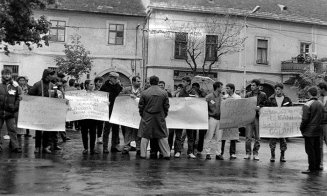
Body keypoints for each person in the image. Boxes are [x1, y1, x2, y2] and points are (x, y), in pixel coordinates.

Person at [138, 75, 170, 159]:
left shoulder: (144, 92)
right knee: (162, 135)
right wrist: (164, 115)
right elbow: (166, 106)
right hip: (159, 116)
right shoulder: (164, 93)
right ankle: (166, 154)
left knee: (145, 135)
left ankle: (143, 154)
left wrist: (143, 115)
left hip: (147, 116)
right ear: (158, 82)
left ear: (150, 82)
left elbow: (141, 106)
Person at [28, 69, 56, 153]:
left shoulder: (53, 85)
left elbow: (57, 96)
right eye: (50, 75)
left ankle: (45, 146)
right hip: (39, 110)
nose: (52, 76)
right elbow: (30, 94)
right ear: (46, 75)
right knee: (39, 129)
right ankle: (37, 146)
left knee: (47, 129)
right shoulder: (37, 84)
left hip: (49, 110)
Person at [266, 83, 292, 162]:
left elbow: (291, 109)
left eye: (279, 89)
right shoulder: (271, 99)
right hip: (274, 122)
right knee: (272, 139)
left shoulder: (287, 99)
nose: (277, 91)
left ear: (282, 90)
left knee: (283, 139)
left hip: (283, 122)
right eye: (276, 89)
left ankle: (282, 155)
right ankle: (272, 155)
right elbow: (266, 109)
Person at [300, 87, 323, 174]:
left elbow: (305, 119)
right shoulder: (320, 103)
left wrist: (301, 128)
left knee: (310, 150)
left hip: (309, 130)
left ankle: (311, 168)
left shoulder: (307, 104)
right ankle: (317, 166)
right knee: (317, 149)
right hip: (318, 129)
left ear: (309, 93)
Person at [244, 79, 267, 160]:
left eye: (253, 85)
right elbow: (244, 105)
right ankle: (248, 153)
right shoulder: (248, 94)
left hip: (258, 117)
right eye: (251, 85)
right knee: (248, 137)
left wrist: (260, 107)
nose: (252, 87)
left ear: (258, 86)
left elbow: (265, 105)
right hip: (249, 117)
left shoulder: (263, 95)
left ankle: (255, 153)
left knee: (257, 137)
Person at [100, 72, 123, 153]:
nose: (116, 80)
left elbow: (120, 95)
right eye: (115, 78)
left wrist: (118, 85)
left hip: (116, 110)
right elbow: (100, 97)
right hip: (108, 110)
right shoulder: (104, 86)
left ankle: (114, 146)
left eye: (117, 78)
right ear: (110, 78)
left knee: (116, 129)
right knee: (107, 129)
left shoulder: (118, 86)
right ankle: (105, 147)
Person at [173, 76, 196, 159]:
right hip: (181, 115)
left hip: (190, 116)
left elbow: (197, 102)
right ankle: (178, 151)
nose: (182, 83)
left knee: (191, 135)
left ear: (188, 82)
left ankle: (190, 152)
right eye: (182, 81)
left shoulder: (193, 91)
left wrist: (196, 98)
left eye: (184, 82)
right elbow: (177, 102)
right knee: (178, 135)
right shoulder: (181, 91)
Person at [0, 68, 21, 153]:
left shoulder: (16, 86)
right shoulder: (0, 85)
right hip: (0, 111)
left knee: (12, 130)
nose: (7, 75)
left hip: (11, 112)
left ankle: (15, 146)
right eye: (5, 74)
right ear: (2, 75)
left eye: (8, 74)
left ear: (11, 75)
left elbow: (19, 98)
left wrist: (15, 107)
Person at [121, 76, 142, 155]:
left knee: (138, 131)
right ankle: (126, 147)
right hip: (128, 113)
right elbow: (121, 99)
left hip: (138, 114)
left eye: (140, 81)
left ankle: (138, 147)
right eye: (138, 81)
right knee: (128, 130)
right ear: (133, 82)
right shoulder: (126, 90)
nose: (139, 83)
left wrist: (136, 98)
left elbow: (144, 100)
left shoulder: (142, 91)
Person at [203, 81, 223, 160]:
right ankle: (208, 153)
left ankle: (218, 153)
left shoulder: (221, 97)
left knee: (219, 137)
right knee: (209, 136)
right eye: (221, 87)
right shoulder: (209, 97)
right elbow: (205, 107)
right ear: (217, 87)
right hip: (212, 118)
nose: (222, 88)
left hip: (220, 118)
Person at [221, 83, 241, 160]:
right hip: (225, 118)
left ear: (232, 89)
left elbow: (239, 108)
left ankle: (232, 153)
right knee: (223, 136)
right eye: (226, 88)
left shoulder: (238, 97)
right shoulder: (224, 97)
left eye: (228, 88)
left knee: (233, 136)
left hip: (233, 118)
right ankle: (221, 152)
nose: (226, 90)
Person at [80, 80, 99, 155]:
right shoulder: (81, 94)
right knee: (84, 133)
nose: (93, 85)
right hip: (83, 116)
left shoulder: (96, 94)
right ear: (86, 85)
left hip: (93, 116)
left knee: (93, 133)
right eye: (91, 84)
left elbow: (100, 102)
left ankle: (92, 148)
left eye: (93, 84)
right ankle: (85, 148)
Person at [317, 82, 327, 170]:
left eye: (320, 89)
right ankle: (320, 163)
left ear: (323, 89)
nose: (319, 90)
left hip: (326, 123)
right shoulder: (319, 98)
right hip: (319, 123)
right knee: (320, 145)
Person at [94, 77, 104, 144]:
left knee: (100, 124)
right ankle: (94, 138)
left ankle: (99, 137)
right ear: (96, 82)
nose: (100, 84)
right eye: (99, 82)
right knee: (94, 125)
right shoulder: (93, 90)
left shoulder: (103, 90)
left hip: (101, 110)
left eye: (101, 82)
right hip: (94, 110)